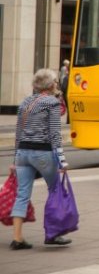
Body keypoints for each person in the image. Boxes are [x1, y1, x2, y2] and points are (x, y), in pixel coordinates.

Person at [8, 68, 71, 249]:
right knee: (55, 190)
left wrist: (15, 160)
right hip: (42, 153)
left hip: (23, 153)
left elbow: (18, 133)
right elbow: (55, 134)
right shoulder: (51, 103)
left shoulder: (25, 102)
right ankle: (53, 233)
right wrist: (62, 160)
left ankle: (17, 238)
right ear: (51, 85)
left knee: (22, 194)